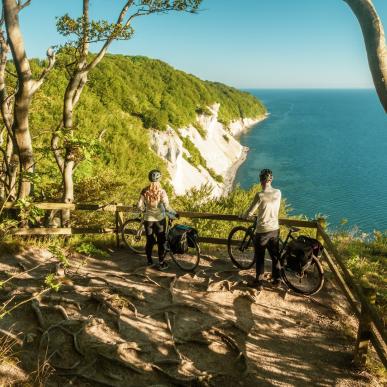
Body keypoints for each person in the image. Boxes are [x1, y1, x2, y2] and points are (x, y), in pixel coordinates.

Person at [242, 169, 282, 291]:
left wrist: (244, 216)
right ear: (271, 179)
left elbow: (250, 212)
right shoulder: (278, 193)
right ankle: (277, 280)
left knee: (260, 258)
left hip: (262, 231)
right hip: (275, 229)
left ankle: (259, 283)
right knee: (275, 256)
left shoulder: (260, 195)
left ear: (260, 181)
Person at [137, 169, 177, 270]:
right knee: (161, 242)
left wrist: (144, 210)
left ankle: (149, 261)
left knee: (150, 241)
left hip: (148, 220)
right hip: (160, 220)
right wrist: (175, 214)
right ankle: (161, 263)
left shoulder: (144, 190)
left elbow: (139, 205)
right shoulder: (162, 192)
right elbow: (167, 207)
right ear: (160, 179)